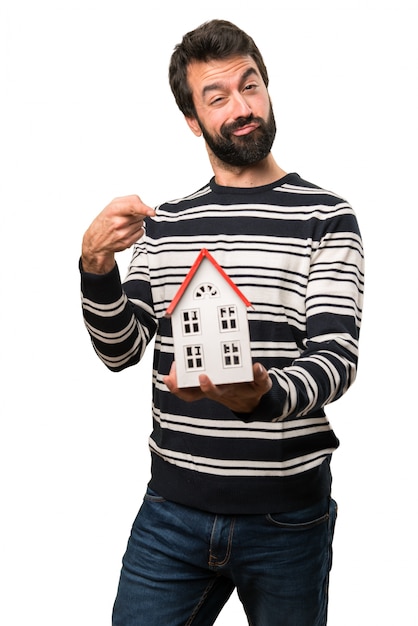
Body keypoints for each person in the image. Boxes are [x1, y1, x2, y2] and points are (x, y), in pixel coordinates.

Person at [80, 19, 364, 626]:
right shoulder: (169, 221)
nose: (243, 108)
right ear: (193, 120)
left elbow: (337, 361)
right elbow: (120, 348)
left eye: (251, 86)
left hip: (288, 519)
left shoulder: (326, 217)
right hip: (171, 513)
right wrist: (96, 263)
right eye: (218, 97)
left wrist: (263, 394)